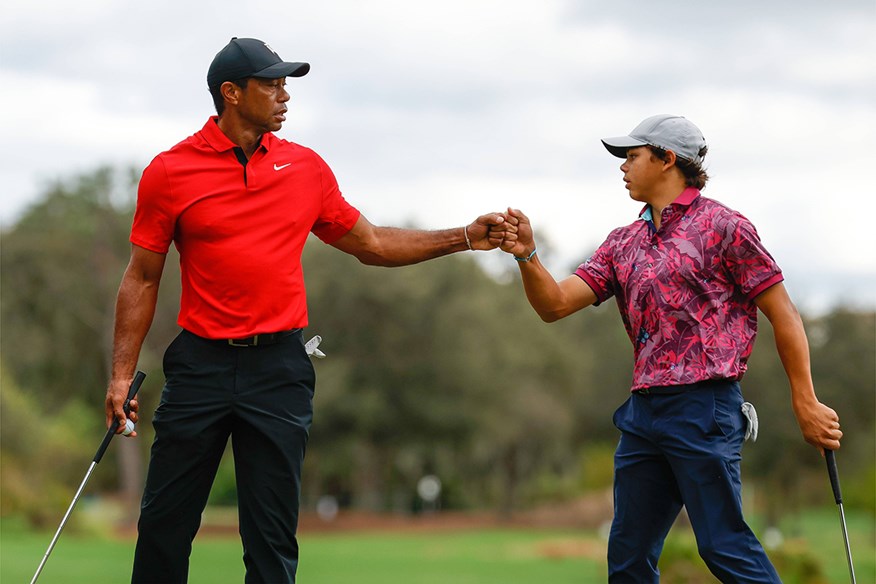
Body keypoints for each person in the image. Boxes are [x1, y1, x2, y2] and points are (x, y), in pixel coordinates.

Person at [104, 37, 508, 583]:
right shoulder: (171, 171)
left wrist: (463, 236)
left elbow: (374, 245)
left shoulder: (305, 168)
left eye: (284, 83)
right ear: (231, 93)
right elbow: (142, 276)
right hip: (199, 365)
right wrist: (121, 376)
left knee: (271, 540)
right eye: (270, 84)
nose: (284, 94)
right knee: (163, 528)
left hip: (279, 371)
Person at [497, 114, 843, 582]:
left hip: (705, 408)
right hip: (643, 415)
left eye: (632, 156)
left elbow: (784, 313)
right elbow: (555, 305)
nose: (623, 166)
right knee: (627, 557)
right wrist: (527, 255)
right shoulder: (623, 242)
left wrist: (804, 398)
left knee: (722, 546)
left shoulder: (725, 227)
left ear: (667, 160)